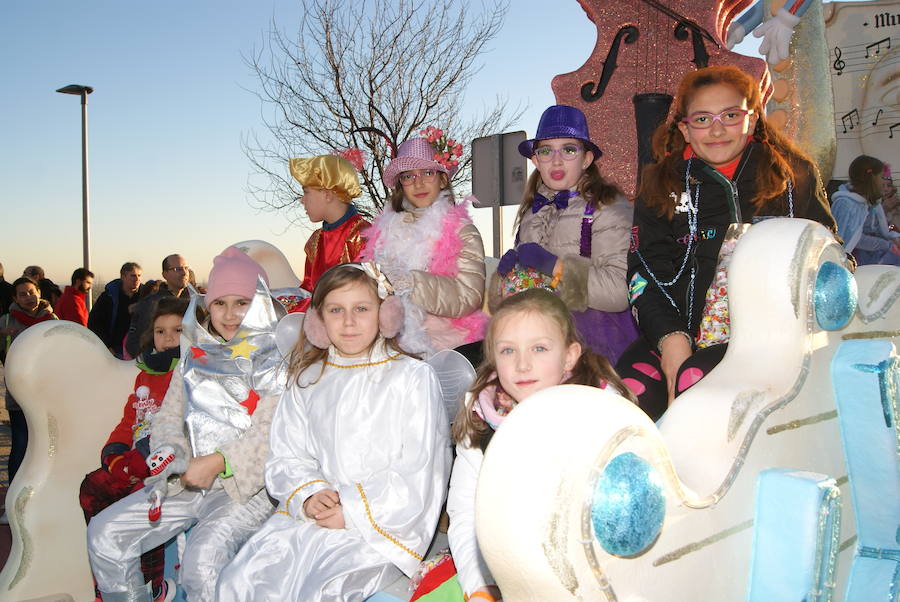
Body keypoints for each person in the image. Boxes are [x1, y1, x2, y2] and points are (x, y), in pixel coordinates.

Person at [216, 262, 450, 600]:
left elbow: (421, 469)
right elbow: (287, 454)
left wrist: (351, 510)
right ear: (318, 321)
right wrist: (309, 494)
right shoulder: (308, 379)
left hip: (375, 528)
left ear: (385, 314)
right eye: (336, 310)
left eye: (362, 309)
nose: (349, 321)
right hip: (311, 515)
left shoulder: (412, 378)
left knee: (322, 589)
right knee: (240, 580)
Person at [619, 65, 837, 420]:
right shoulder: (661, 183)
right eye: (702, 119)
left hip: (772, 344)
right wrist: (671, 338)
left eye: (731, 115)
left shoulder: (794, 175)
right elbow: (644, 270)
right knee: (626, 394)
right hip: (680, 331)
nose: (717, 129)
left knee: (698, 387)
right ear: (685, 129)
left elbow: (832, 253)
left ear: (752, 121)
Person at [87, 247, 285, 602]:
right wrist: (168, 451)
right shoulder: (195, 355)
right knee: (105, 534)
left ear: (258, 301)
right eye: (220, 303)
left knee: (202, 563)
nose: (229, 314)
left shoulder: (275, 359)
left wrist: (219, 462)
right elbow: (168, 414)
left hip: (246, 491)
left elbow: (271, 432)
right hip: (186, 480)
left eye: (241, 302)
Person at [448, 288, 634, 601]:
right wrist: (480, 584)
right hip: (507, 563)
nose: (522, 365)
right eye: (508, 351)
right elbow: (466, 510)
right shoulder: (481, 417)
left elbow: (621, 517)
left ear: (569, 356)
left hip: (593, 569)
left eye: (539, 348)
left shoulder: (604, 413)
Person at [494, 104, 636, 364]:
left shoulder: (608, 206)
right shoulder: (531, 211)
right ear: (535, 160)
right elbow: (513, 297)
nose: (556, 161)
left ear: (586, 158)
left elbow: (619, 292)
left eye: (569, 150)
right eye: (546, 151)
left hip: (592, 344)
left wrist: (554, 267)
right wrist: (504, 276)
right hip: (535, 340)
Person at [79, 297, 188, 601]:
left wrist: (140, 461)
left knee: (134, 501)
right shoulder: (146, 373)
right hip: (135, 459)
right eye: (160, 331)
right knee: (92, 488)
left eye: (177, 330)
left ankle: (152, 584)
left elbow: (181, 425)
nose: (168, 339)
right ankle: (111, 582)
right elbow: (131, 417)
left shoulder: (189, 371)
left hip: (166, 466)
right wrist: (114, 454)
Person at [360, 134, 487, 362]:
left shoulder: (462, 231)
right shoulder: (383, 230)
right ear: (401, 184)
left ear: (442, 179)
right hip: (389, 338)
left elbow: (469, 296)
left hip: (445, 343)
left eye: (427, 173)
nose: (418, 183)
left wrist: (413, 283)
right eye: (409, 176)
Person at [290, 153, 370, 312]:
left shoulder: (363, 236)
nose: (302, 200)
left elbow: (363, 296)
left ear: (327, 194)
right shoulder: (315, 240)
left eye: (306, 192)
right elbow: (307, 289)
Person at [0, 277, 58, 487]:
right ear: (15, 298)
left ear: (39, 293)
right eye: (22, 294)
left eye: (31, 292)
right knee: (21, 447)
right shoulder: (6, 321)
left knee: (47, 449)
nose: (28, 297)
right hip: (19, 396)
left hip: (46, 396)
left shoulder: (52, 319)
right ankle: (13, 498)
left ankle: (42, 494)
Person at [831, 155, 900, 266]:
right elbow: (851, 239)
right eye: (882, 177)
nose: (883, 183)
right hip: (855, 260)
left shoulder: (868, 203)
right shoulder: (846, 204)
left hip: (871, 255)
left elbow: (878, 231)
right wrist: (886, 245)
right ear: (873, 178)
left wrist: (893, 239)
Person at [124, 254, 191, 358]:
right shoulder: (152, 304)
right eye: (177, 269)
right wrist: (156, 363)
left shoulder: (192, 301)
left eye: (186, 268)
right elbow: (133, 344)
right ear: (165, 274)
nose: (184, 273)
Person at [88, 262, 143, 358]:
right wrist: (107, 346)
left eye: (139, 275)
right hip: (114, 351)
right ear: (123, 277)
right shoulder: (108, 297)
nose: (137, 279)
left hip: (139, 352)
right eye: (133, 276)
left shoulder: (146, 296)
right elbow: (94, 323)